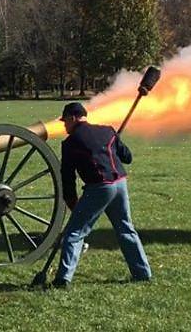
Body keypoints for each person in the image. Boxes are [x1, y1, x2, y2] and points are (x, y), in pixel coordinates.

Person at [52, 102, 152, 288]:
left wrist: (73, 203)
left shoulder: (70, 143)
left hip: (99, 188)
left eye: (65, 121)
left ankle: (63, 279)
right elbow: (127, 157)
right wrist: (115, 142)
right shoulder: (107, 131)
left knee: (73, 233)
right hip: (120, 184)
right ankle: (142, 273)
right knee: (126, 229)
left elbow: (67, 178)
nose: (64, 126)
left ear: (73, 118)